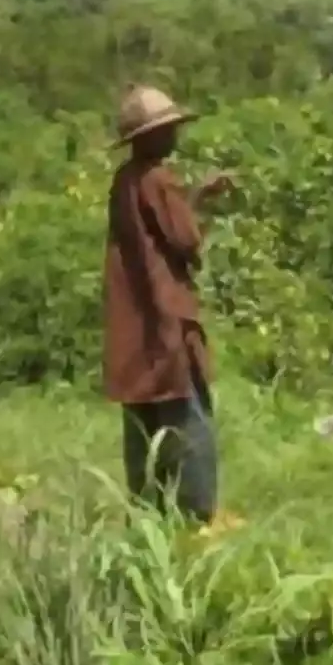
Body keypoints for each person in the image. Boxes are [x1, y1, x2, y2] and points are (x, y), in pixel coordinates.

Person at [102, 83, 234, 525]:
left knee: (143, 420)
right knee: (189, 418)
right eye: (168, 128)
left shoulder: (125, 179)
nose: (175, 135)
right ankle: (199, 517)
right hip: (167, 318)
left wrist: (190, 197)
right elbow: (185, 239)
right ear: (150, 137)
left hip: (135, 321)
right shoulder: (160, 178)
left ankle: (146, 513)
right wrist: (199, 199)